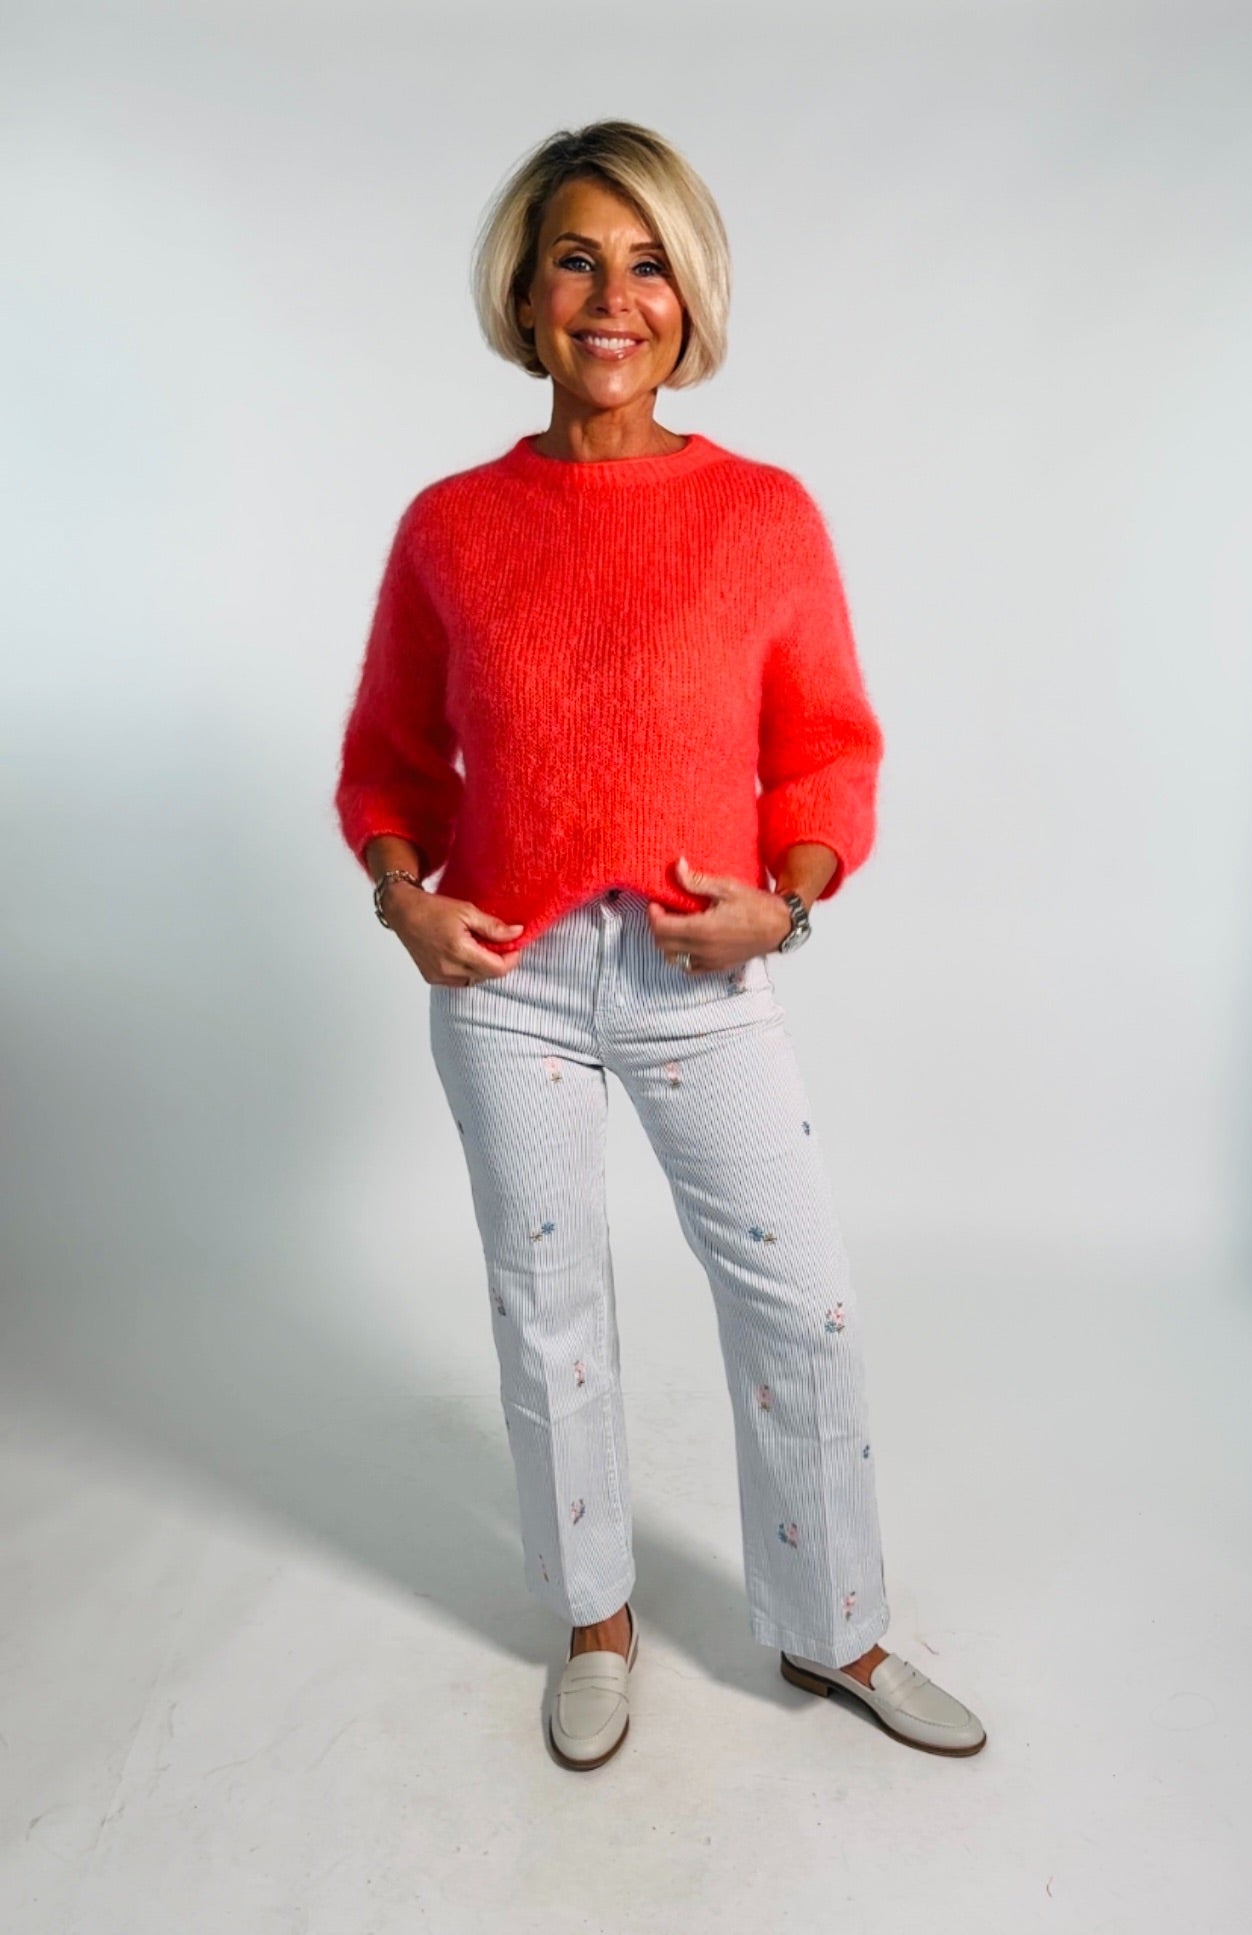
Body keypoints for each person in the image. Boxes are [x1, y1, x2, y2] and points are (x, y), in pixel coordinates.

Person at [334, 119, 986, 1770]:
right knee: (547, 1307)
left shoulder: (762, 515)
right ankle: (593, 1619)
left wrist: (790, 901)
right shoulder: (451, 527)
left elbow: (826, 751)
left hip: (703, 978)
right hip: (510, 984)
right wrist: (405, 897)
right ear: (524, 294)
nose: (612, 298)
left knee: (802, 1307)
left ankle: (834, 1628)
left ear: (688, 300)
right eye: (576, 259)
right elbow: (390, 762)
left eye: (647, 265)